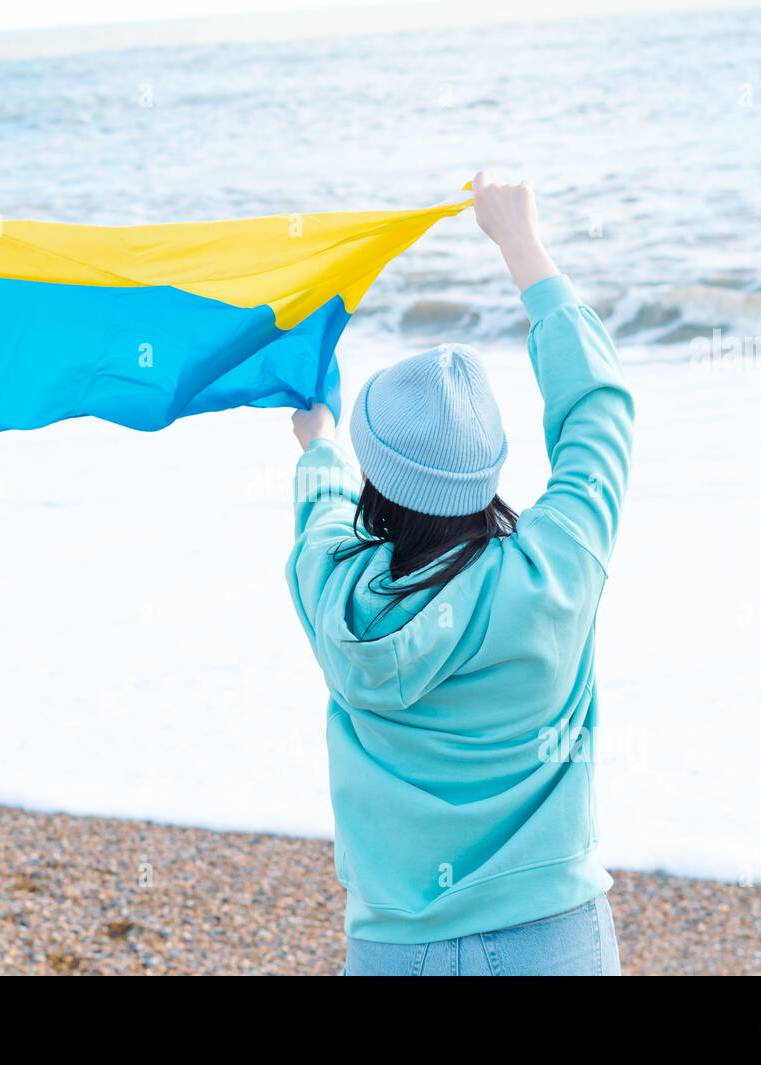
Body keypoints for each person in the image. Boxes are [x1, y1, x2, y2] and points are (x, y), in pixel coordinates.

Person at [285, 171, 635, 976]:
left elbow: (324, 514)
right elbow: (600, 411)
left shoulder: (336, 595)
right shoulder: (556, 568)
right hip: (553, 938)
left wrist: (324, 443)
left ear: (380, 481)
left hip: (396, 947)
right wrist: (522, 245)